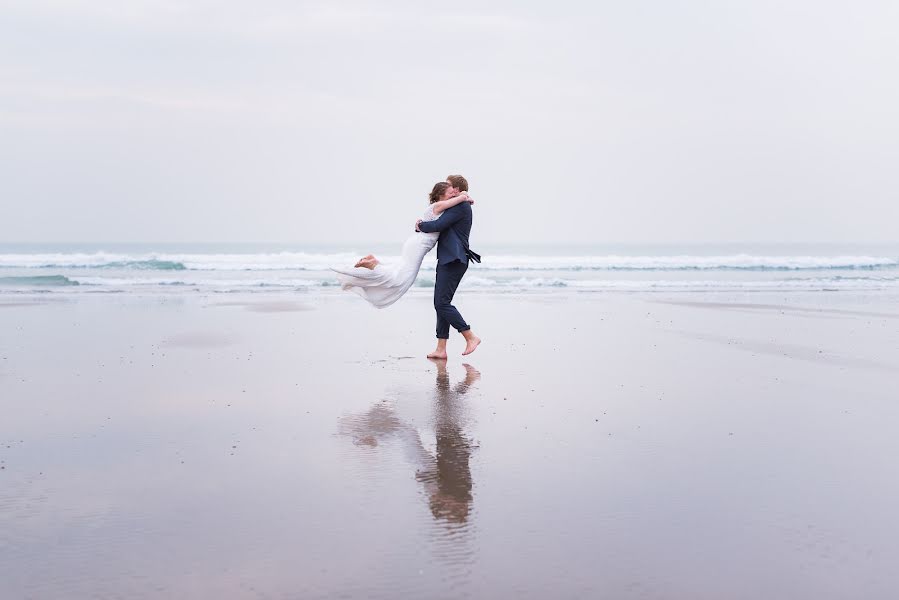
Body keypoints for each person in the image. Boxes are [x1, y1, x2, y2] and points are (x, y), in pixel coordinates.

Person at [330, 180, 471, 310]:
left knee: (400, 271)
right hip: (419, 245)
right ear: (441, 194)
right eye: (450, 192)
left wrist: (465, 196)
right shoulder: (439, 205)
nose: (453, 194)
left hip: (416, 243)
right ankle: (373, 266)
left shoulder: (437, 207)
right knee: (401, 280)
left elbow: (463, 200)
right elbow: (462, 199)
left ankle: (374, 261)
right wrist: (464, 195)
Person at [416, 175, 481, 359]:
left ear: (457, 190)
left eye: (449, 186)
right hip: (449, 258)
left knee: (441, 303)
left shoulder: (461, 205)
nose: (447, 188)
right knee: (441, 304)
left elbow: (439, 225)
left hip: (454, 259)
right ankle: (441, 349)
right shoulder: (458, 204)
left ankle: (470, 336)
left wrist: (420, 225)